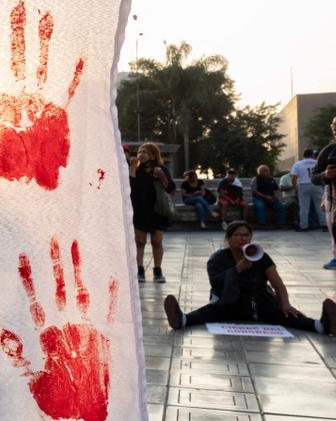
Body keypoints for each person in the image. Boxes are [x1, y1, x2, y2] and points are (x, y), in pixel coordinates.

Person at [164, 221, 335, 335]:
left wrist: (285, 303)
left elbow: (276, 282)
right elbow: (216, 284)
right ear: (229, 238)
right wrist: (237, 269)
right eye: (237, 235)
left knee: (285, 314)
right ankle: (182, 319)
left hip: (258, 302)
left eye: (246, 235)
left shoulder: (260, 255)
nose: (242, 238)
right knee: (209, 312)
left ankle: (321, 325)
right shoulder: (218, 258)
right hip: (229, 302)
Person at [129, 142, 173, 283]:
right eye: (139, 152)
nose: (141, 154)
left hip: (157, 210)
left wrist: (161, 176)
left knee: (157, 241)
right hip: (140, 209)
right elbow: (129, 187)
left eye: (145, 152)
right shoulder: (136, 169)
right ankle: (140, 270)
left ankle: (157, 270)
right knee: (140, 242)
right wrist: (132, 167)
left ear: (153, 155)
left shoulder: (160, 169)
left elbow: (170, 188)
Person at [314, 116, 336, 269]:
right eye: (334, 126)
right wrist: (325, 175)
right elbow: (314, 177)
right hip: (333, 198)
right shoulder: (329, 151)